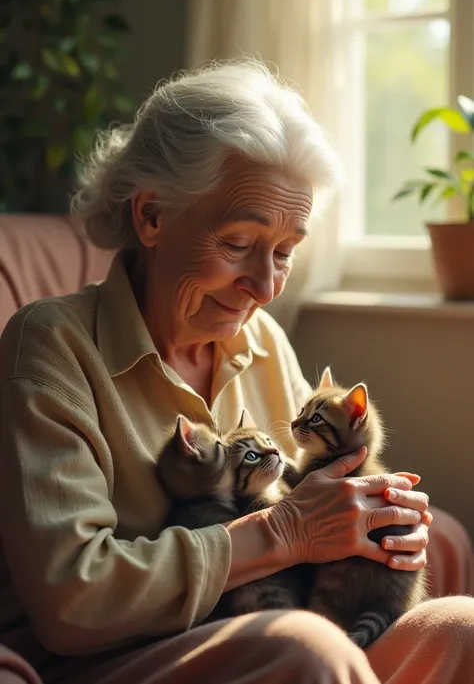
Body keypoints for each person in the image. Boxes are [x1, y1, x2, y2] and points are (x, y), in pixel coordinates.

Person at [0, 59, 472, 684]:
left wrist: (379, 522)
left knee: (462, 626)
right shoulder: (52, 345)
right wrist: (283, 530)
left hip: (278, 619)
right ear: (151, 216)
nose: (266, 286)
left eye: (285, 252)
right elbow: (71, 598)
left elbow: (325, 497)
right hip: (112, 656)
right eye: (237, 243)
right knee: (304, 648)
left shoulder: (262, 339)